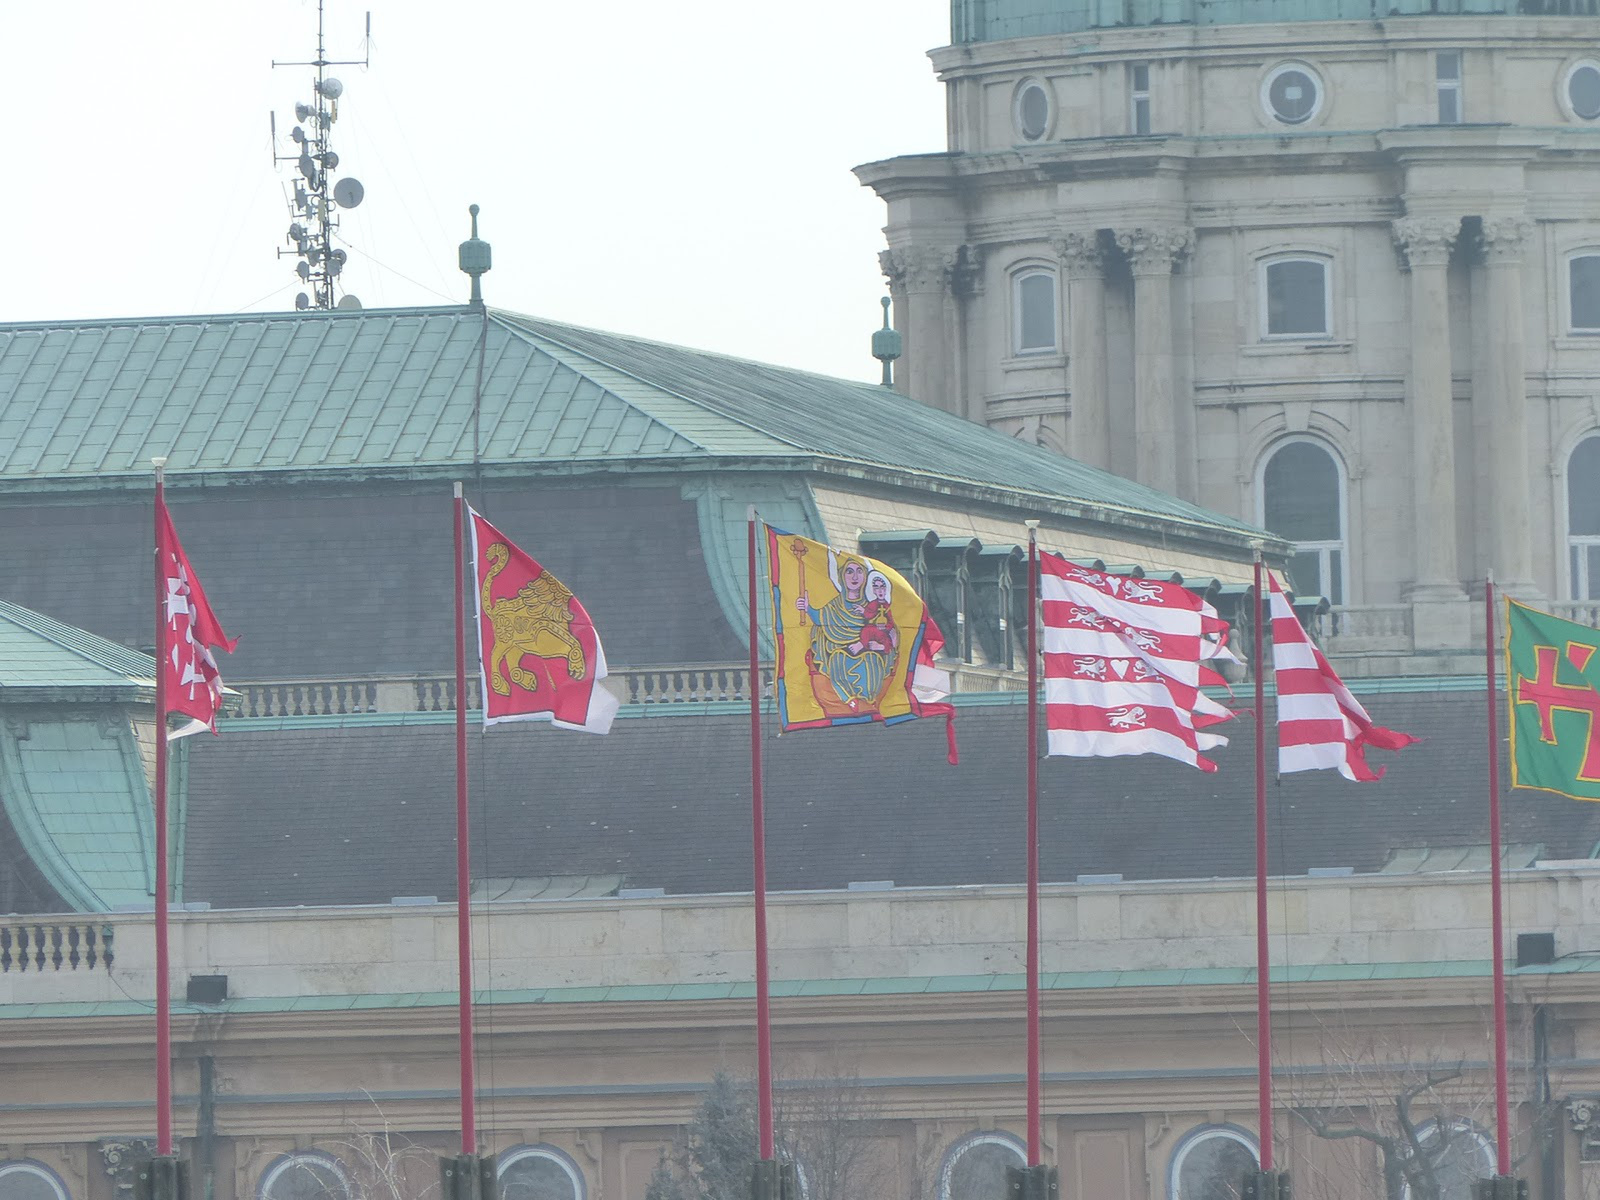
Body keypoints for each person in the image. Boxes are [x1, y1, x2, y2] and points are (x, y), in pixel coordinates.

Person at [796, 555, 896, 709]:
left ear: (864, 578)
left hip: (869, 650)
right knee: (838, 659)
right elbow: (823, 618)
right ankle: (850, 700)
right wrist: (807, 608)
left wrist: (875, 645)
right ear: (842, 577)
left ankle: (869, 700)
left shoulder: (872, 605)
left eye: (859, 572)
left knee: (871, 661)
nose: (854, 577)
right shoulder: (836, 605)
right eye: (849, 572)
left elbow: (887, 627)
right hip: (842, 651)